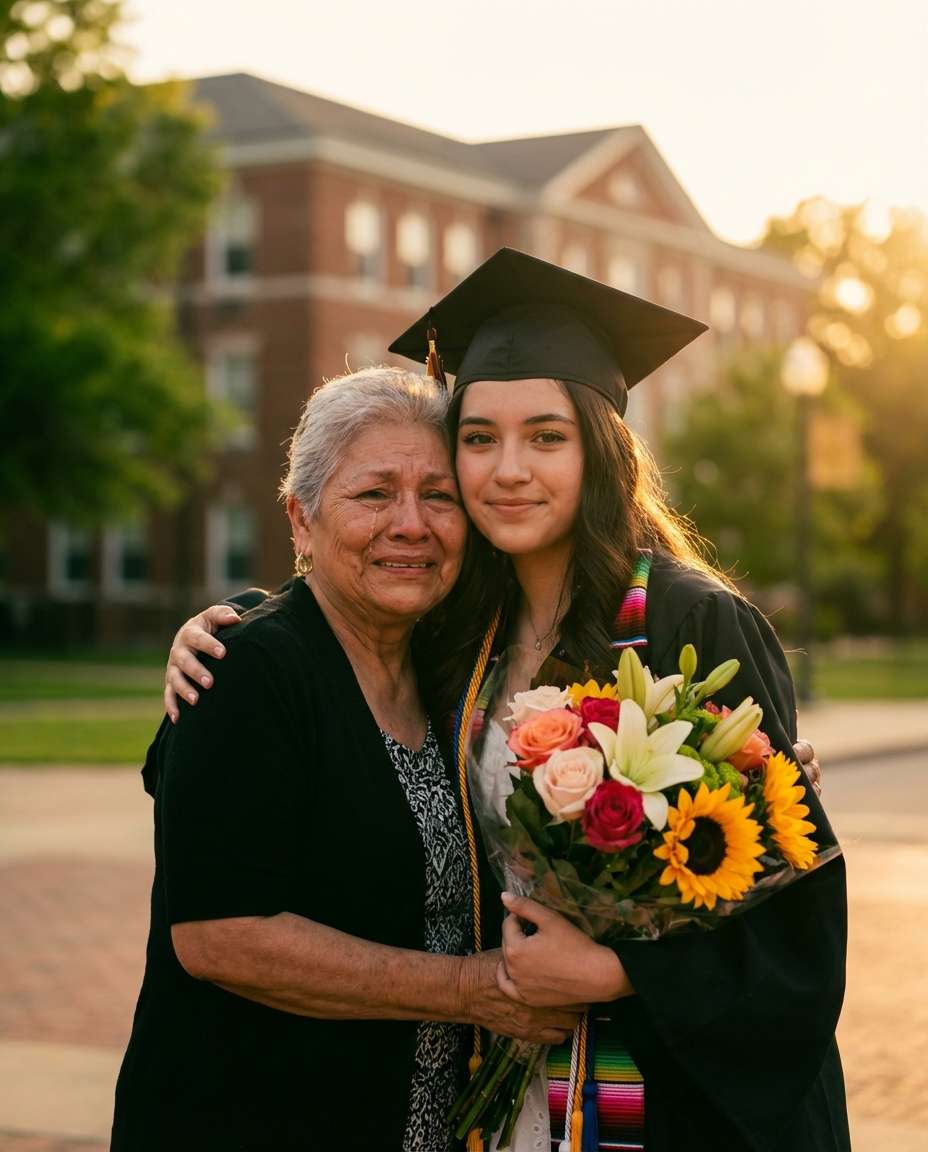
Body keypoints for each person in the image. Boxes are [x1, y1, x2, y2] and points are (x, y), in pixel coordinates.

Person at [160, 249, 847, 1151]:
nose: (507, 469)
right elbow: (327, 637)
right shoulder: (458, 631)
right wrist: (234, 627)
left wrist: (618, 972)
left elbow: (792, 915)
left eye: (546, 436)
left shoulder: (689, 622)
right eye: (478, 438)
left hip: (668, 1103)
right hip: (499, 1095)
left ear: (600, 448)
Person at [111, 367, 585, 1152]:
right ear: (301, 519)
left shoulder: (448, 673)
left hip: (412, 1121)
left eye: (438, 496)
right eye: (374, 495)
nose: (411, 524)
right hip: (254, 1119)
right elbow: (219, 936)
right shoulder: (248, 671)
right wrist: (472, 990)